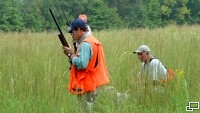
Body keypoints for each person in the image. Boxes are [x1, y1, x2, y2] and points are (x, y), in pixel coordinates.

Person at [62, 18, 110, 112]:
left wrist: (70, 54)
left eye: (73, 32)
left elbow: (82, 64)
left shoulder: (85, 44)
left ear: (79, 29)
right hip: (95, 83)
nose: (72, 35)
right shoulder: (93, 40)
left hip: (87, 85)